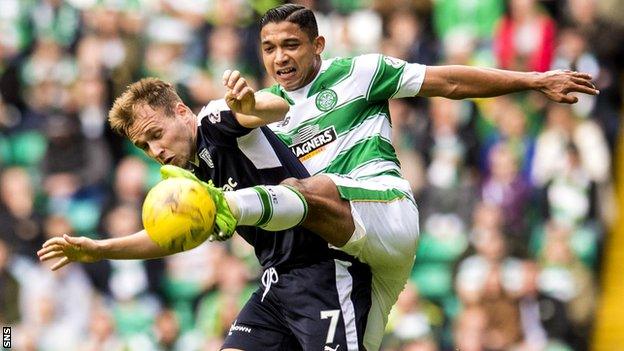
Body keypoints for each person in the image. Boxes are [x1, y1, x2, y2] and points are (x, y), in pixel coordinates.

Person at [245, 4, 598, 349]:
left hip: (380, 214)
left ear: (318, 45)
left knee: (302, 191)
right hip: (332, 255)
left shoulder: (361, 72)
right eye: (269, 48)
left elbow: (450, 82)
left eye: (291, 45)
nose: (280, 58)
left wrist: (534, 80)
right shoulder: (260, 111)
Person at [38, 78, 373, 351]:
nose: (156, 151)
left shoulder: (214, 122)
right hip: (276, 279)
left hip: (324, 271)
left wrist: (250, 103)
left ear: (183, 113)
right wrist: (99, 250)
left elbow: (279, 107)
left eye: (156, 135)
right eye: (144, 146)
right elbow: (169, 239)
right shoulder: (190, 178)